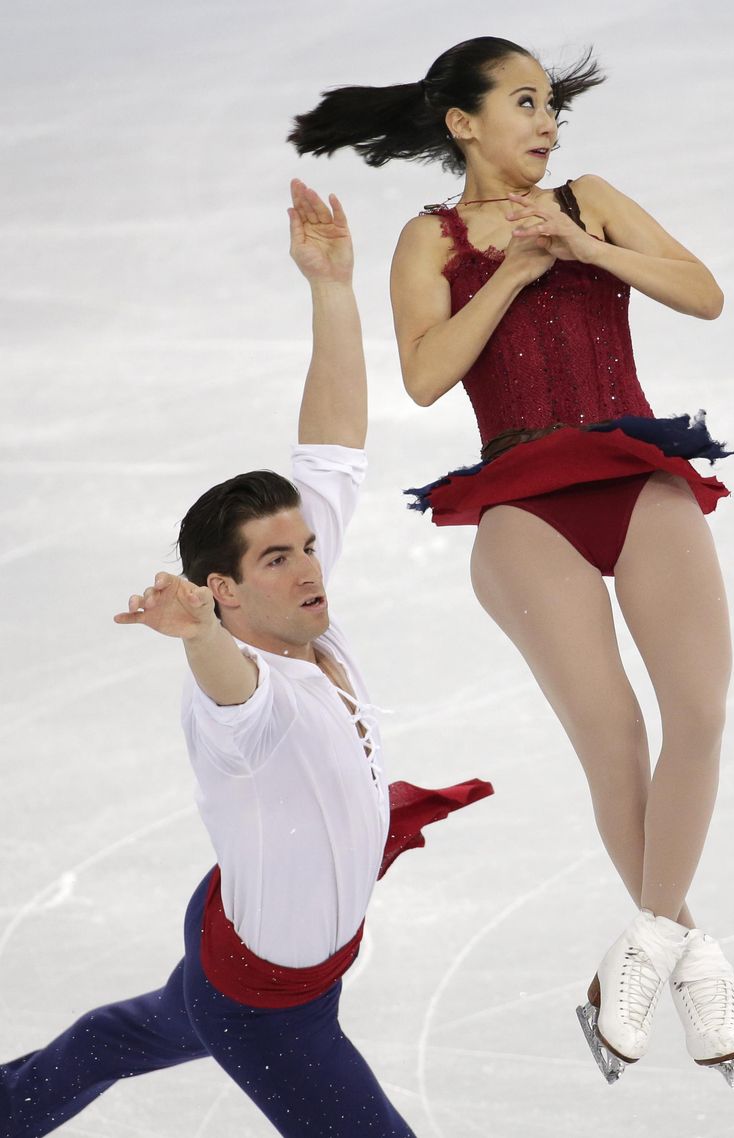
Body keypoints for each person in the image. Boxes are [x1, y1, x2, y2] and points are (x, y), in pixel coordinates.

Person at [290, 38, 734, 1086]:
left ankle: (647, 947)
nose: (545, 124)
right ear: (463, 123)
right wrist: (516, 269)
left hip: (636, 472)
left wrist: (586, 251)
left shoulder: (589, 198)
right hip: (519, 499)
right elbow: (423, 374)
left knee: (701, 712)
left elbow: (703, 292)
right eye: (524, 103)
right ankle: (685, 944)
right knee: (613, 735)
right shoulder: (429, 237)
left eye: (551, 106)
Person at [0, 180, 491, 1137]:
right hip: (269, 1008)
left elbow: (335, 449)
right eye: (278, 558)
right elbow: (234, 694)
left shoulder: (299, 603)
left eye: (306, 546)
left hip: (229, 926)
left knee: (123, 1037)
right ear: (225, 589)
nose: (311, 567)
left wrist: (332, 286)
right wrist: (200, 641)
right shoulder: (247, 698)